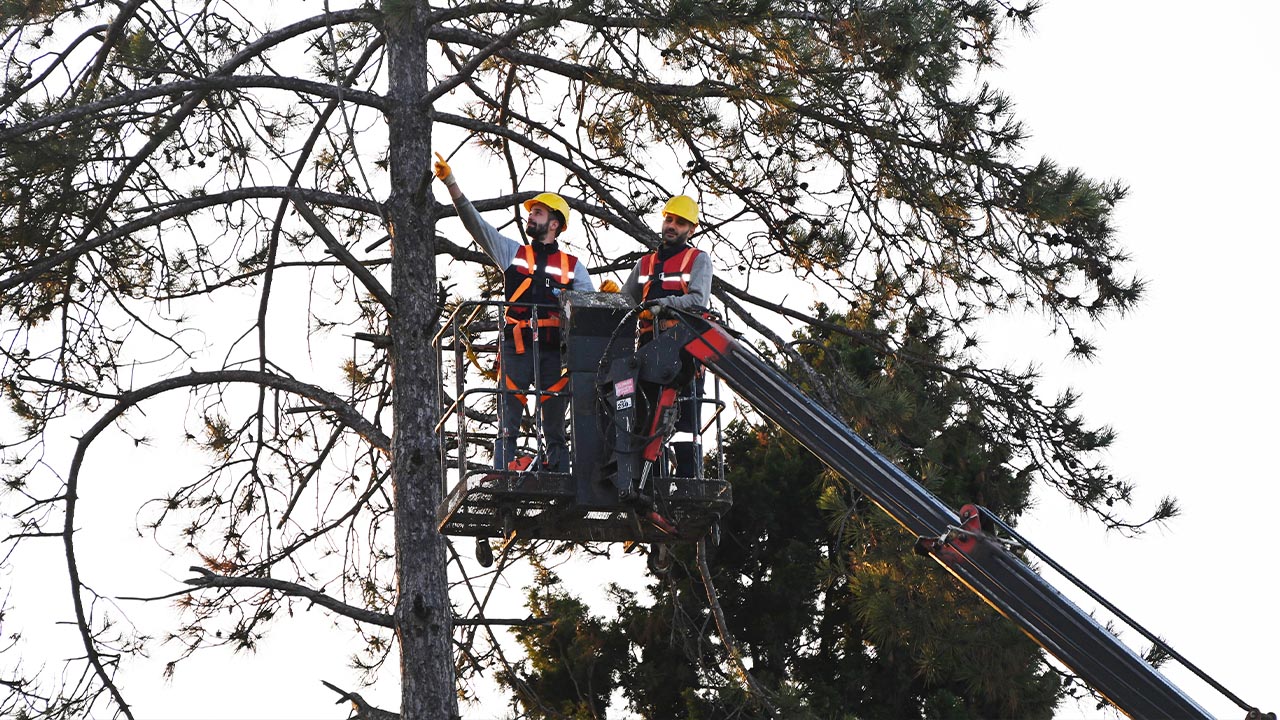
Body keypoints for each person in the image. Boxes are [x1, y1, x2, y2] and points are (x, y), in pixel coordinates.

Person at [433, 152, 595, 474]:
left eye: (537, 212)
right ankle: (505, 474)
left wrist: (601, 299)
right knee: (507, 419)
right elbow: (476, 225)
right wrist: (451, 184)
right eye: (531, 212)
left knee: (554, 422)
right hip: (517, 346)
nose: (529, 217)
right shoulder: (512, 252)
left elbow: (588, 309)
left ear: (554, 224)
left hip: (552, 352)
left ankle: (557, 471)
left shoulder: (573, 267)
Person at [620, 195, 712, 484]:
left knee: (684, 424)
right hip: (648, 351)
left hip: (684, 351)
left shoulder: (697, 260)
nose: (672, 226)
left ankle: (687, 480)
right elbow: (625, 302)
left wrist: (666, 305)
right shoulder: (645, 264)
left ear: (691, 229)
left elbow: (698, 300)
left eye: (680, 222)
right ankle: (652, 482)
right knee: (647, 419)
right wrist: (606, 299)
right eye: (669, 219)